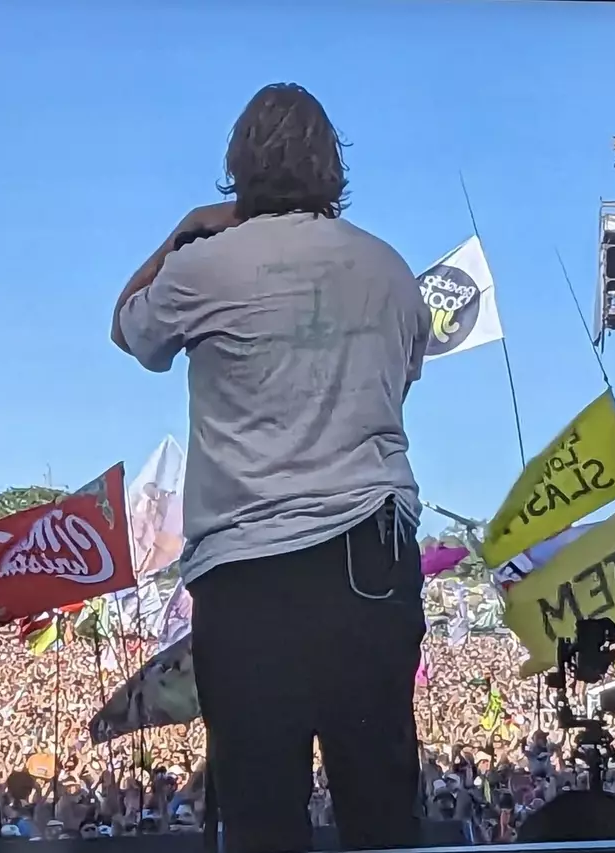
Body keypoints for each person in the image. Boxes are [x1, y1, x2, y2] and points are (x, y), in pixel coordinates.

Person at [111, 82, 431, 852]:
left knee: (260, 813)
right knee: (381, 805)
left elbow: (129, 329)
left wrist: (190, 227)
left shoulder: (205, 265)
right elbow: (405, 376)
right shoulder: (390, 270)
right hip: (369, 555)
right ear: (332, 166)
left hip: (249, 570)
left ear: (238, 168)